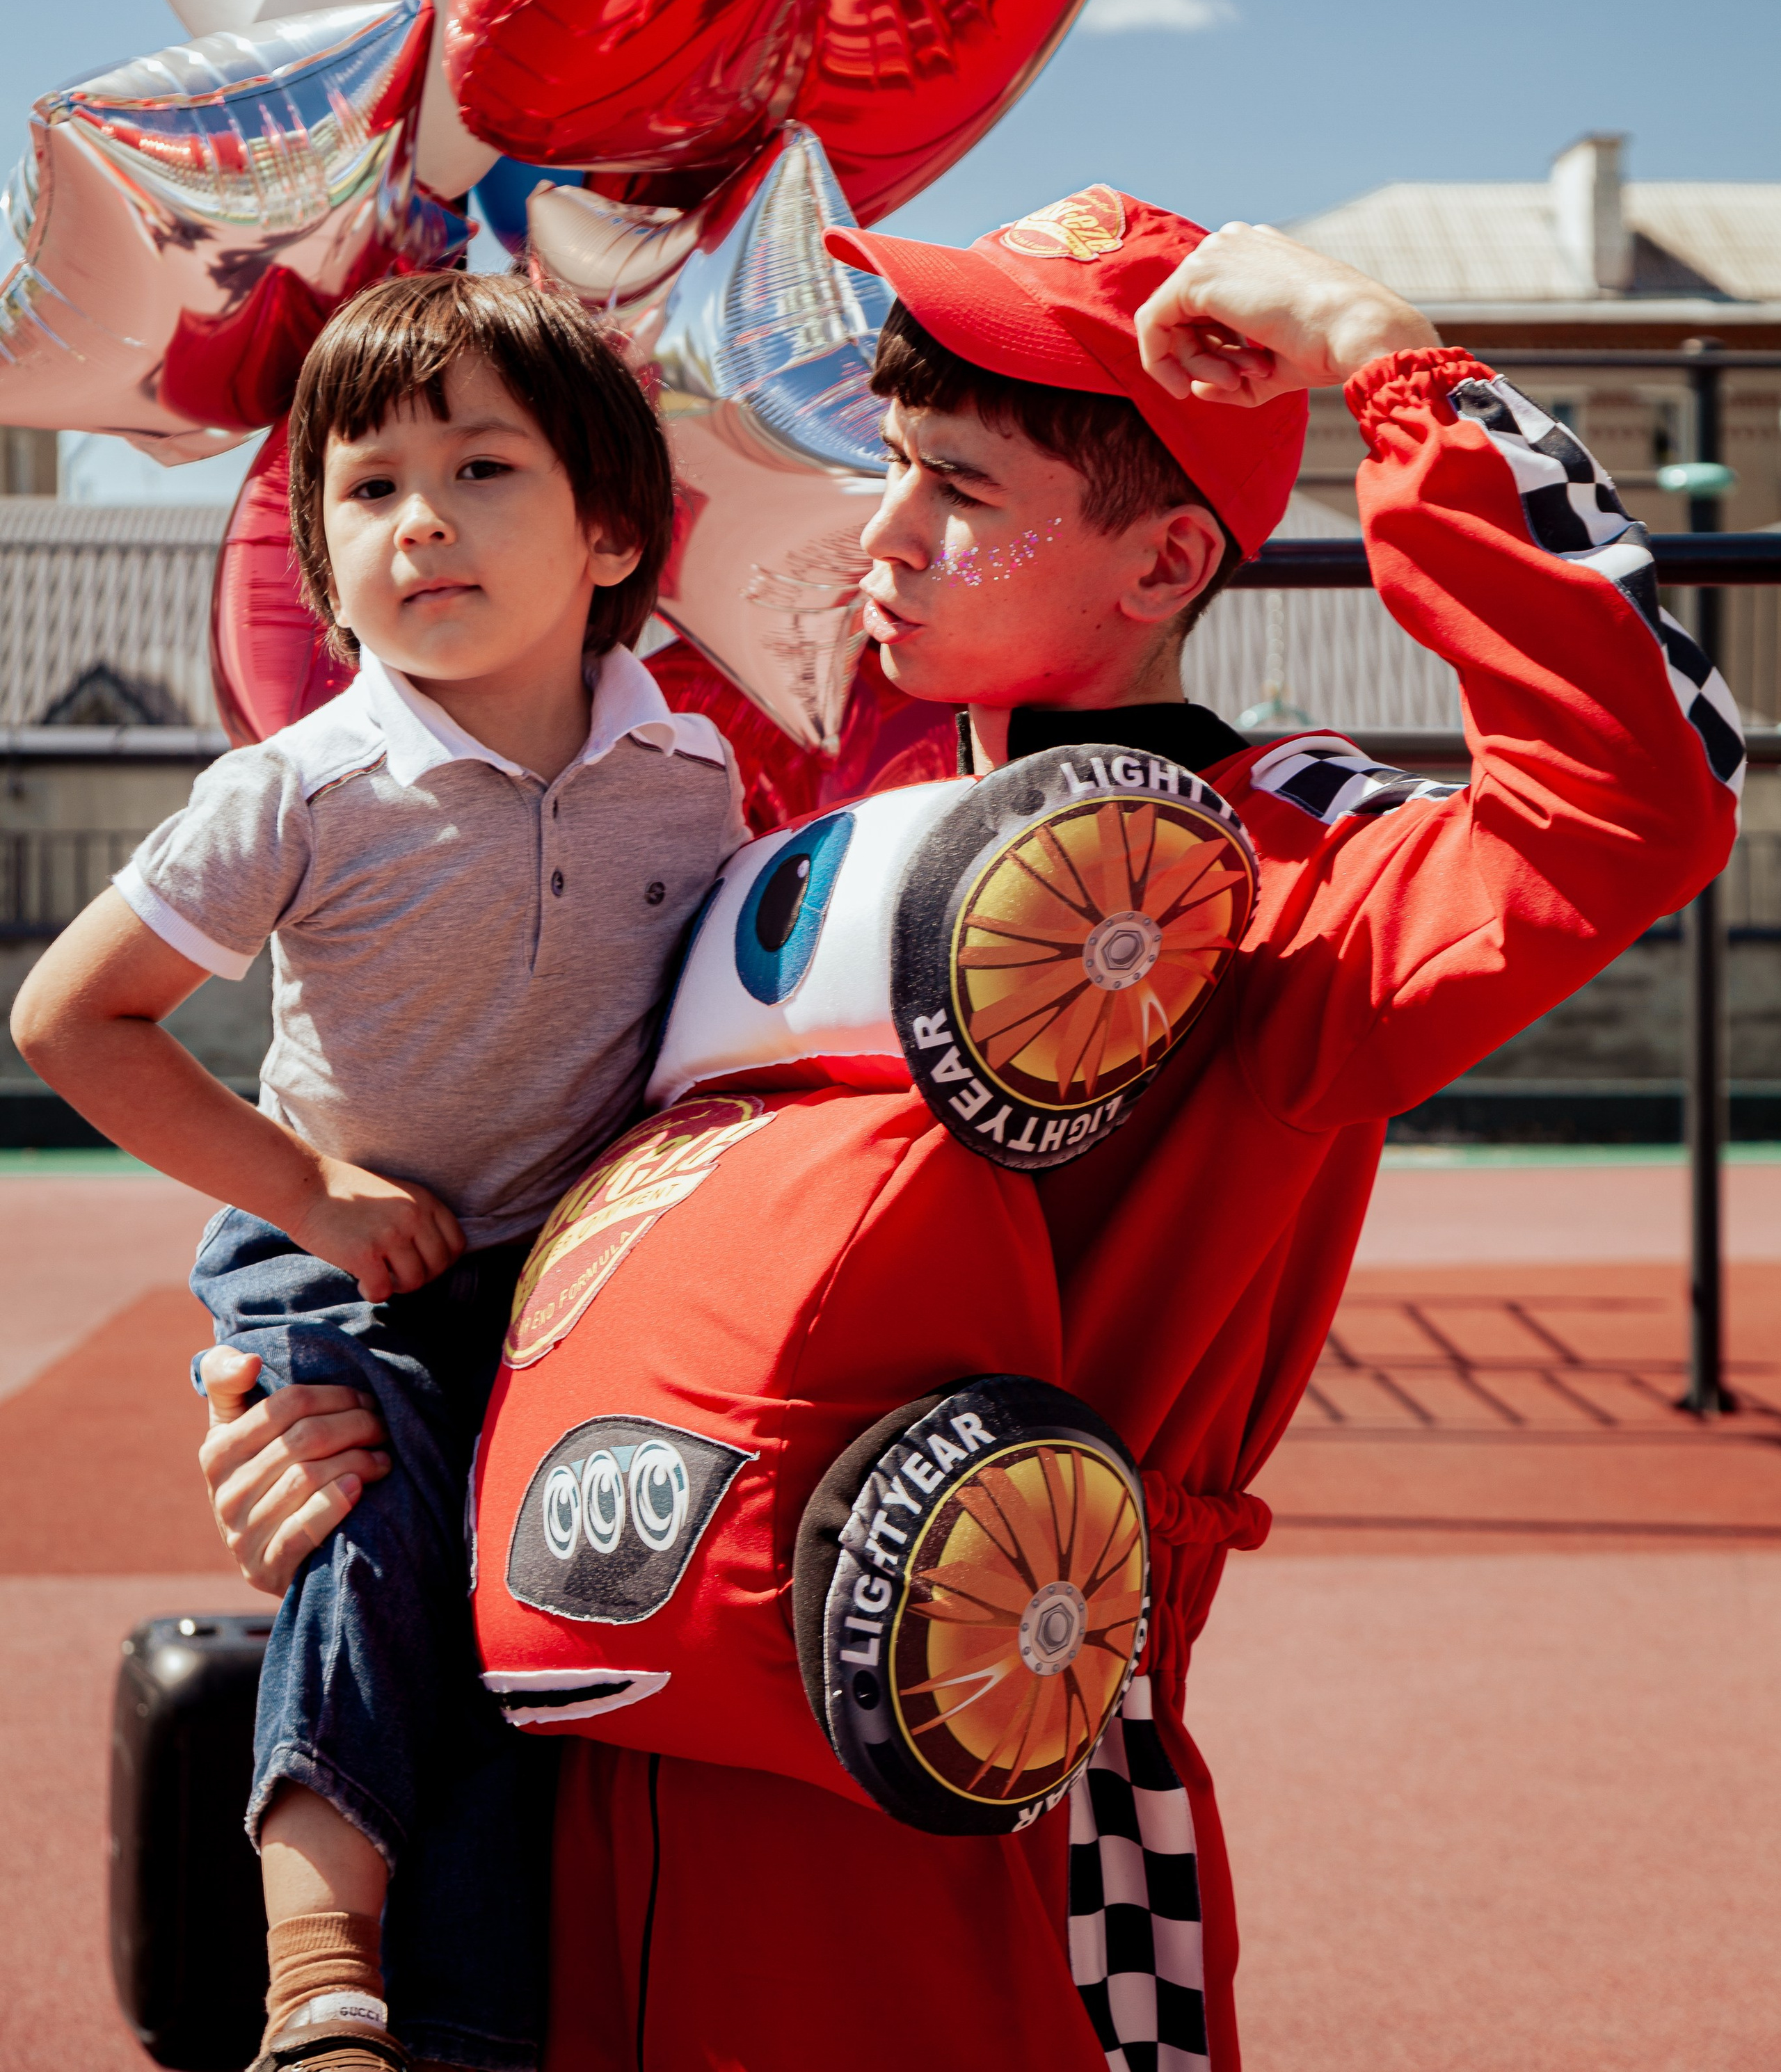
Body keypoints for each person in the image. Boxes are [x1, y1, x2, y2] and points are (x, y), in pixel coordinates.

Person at [196, 202, 1743, 2071]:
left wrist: (1372, 349)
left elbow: (1637, 802)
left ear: (1168, 557)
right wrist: (324, 1426)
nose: (880, 534)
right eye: (888, 466)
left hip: (972, 1785)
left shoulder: (1280, 861)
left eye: (953, 485)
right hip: (602, 1795)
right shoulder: (793, 837)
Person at [11, 273, 747, 2072]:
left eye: (483, 467)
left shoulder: (693, 769)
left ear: (612, 533)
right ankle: (317, 1980)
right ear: (319, 554)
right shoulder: (304, 789)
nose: (419, 519)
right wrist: (311, 1198)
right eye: (364, 486)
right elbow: (70, 1018)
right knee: (367, 1531)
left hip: (563, 1279)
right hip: (337, 1248)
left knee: (537, 1619)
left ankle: (481, 2025)